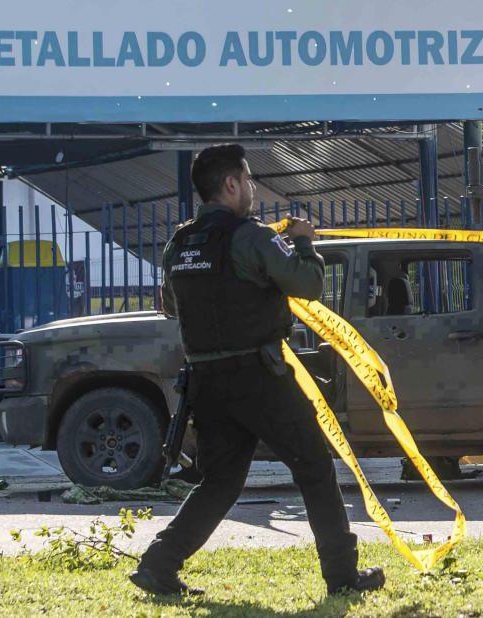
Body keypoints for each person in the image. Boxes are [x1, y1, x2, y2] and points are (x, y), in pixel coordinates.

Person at [129, 144, 384, 596]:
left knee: (221, 481)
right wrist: (304, 242)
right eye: (247, 179)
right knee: (313, 466)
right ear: (230, 184)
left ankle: (159, 564)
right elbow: (307, 285)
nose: (251, 188)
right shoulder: (252, 235)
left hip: (206, 382)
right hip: (259, 376)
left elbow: (169, 306)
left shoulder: (180, 242)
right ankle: (343, 577)